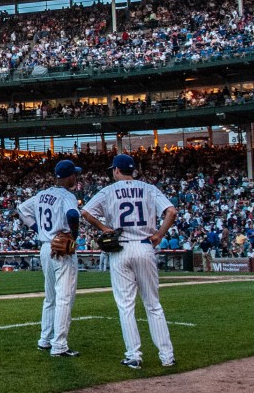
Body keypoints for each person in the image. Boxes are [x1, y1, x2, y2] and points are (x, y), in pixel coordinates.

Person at [81, 154, 176, 370]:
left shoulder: (108, 191)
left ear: (116, 170)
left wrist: (104, 228)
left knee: (126, 306)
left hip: (121, 248)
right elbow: (171, 211)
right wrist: (160, 234)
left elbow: (85, 212)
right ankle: (167, 356)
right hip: (144, 245)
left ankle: (134, 355)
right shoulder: (148, 188)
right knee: (153, 305)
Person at [17, 159, 83, 358]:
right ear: (70, 176)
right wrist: (74, 235)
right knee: (64, 298)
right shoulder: (67, 195)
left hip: (46, 246)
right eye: (75, 174)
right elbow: (73, 214)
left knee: (50, 298)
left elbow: (21, 209)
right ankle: (59, 345)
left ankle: (45, 340)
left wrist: (38, 229)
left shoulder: (41, 194)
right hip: (61, 249)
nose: (76, 177)